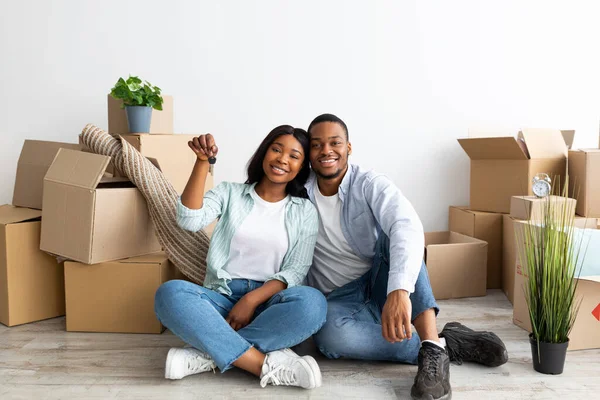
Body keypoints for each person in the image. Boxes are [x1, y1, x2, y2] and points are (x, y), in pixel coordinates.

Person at [304, 114, 508, 400]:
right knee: (328, 339)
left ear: (349, 147)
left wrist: (399, 291)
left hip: (378, 280)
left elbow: (406, 225)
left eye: (335, 142)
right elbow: (258, 185)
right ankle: (441, 344)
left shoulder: (369, 183)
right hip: (338, 297)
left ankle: (431, 354)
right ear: (308, 153)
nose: (326, 150)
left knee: (398, 235)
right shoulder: (298, 190)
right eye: (317, 145)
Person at [154, 125, 327, 390]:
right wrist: (202, 162)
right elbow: (188, 219)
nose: (282, 159)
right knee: (170, 294)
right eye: (277, 149)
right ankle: (260, 363)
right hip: (221, 297)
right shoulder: (230, 193)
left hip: (270, 303)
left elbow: (295, 270)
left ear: (302, 167)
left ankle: (207, 354)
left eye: (294, 155)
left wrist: (251, 299)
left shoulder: (304, 210)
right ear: (264, 152)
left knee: (313, 304)